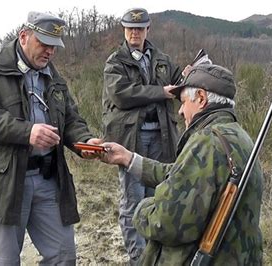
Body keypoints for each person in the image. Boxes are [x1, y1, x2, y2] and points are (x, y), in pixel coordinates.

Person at [0, 11, 101, 265]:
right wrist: (27, 132)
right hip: (6, 182)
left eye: (54, 46)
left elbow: (70, 119)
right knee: (5, 260)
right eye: (43, 44)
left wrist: (85, 141)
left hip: (48, 179)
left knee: (64, 255)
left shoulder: (54, 76)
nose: (50, 52)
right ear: (24, 36)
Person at [100, 64, 263, 265]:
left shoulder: (206, 142)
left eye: (184, 102)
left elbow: (166, 223)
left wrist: (143, 208)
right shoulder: (239, 137)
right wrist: (129, 158)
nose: (180, 111)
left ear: (201, 98)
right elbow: (183, 173)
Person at [102, 7, 183, 263]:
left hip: (162, 138)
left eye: (139, 28)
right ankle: (138, 259)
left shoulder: (163, 59)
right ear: (124, 30)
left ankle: (152, 254)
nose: (134, 32)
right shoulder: (115, 62)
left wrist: (189, 76)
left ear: (148, 29)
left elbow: (178, 82)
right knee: (133, 201)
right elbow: (123, 94)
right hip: (130, 141)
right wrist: (161, 91)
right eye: (130, 28)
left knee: (157, 198)